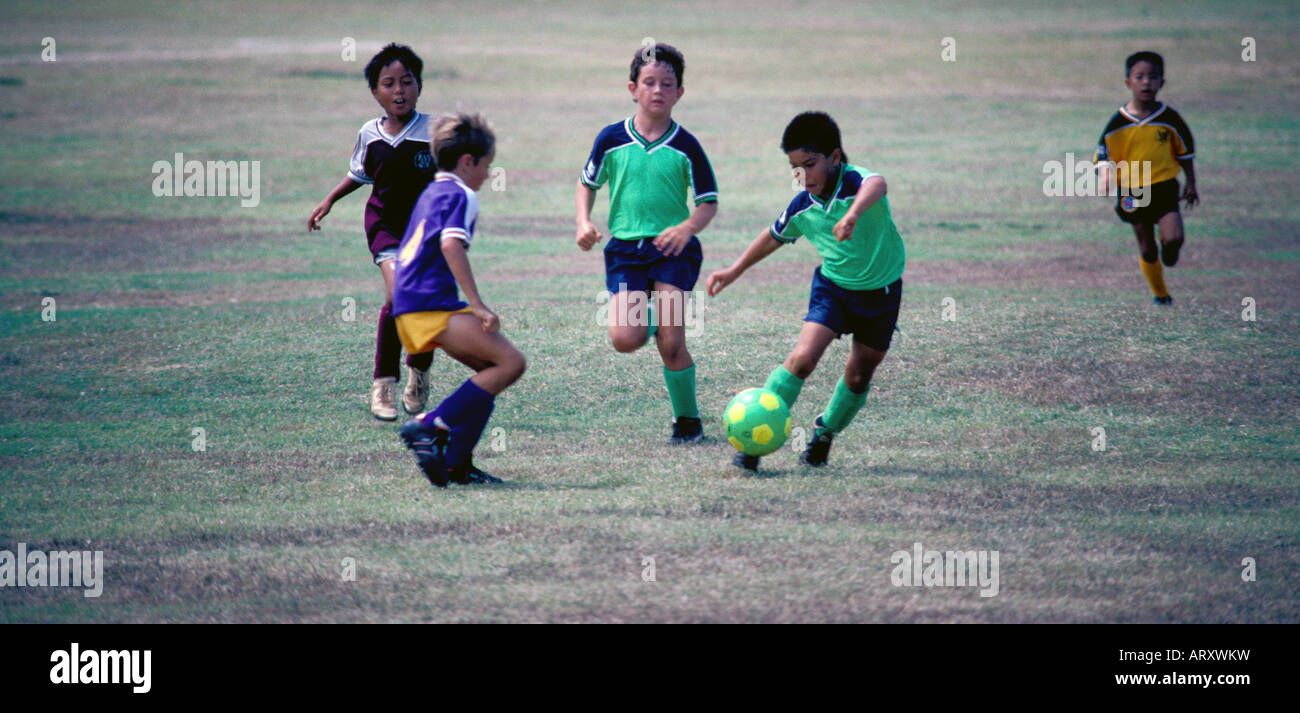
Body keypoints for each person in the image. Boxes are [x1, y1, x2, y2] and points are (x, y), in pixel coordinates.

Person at [706, 112, 904, 472]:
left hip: (881, 294)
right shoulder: (803, 205)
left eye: (809, 165)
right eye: (794, 167)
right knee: (802, 358)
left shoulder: (858, 182)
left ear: (835, 158)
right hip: (833, 290)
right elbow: (773, 236)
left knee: (859, 375)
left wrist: (853, 214)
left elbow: (879, 183)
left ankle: (824, 435)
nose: (802, 175)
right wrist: (735, 270)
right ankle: (753, 441)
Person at [575, 42, 718, 444]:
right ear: (632, 88)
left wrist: (687, 227)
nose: (658, 90)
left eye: (667, 84)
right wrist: (583, 221)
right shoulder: (611, 139)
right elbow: (586, 184)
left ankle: (687, 423)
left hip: (673, 251)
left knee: (673, 343)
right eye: (649, 82)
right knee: (625, 339)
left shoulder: (685, 146)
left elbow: (708, 204)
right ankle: (651, 317)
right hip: (626, 252)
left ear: (679, 93)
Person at [308, 43, 438, 419]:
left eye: (407, 82)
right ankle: (384, 383)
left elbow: (452, 176)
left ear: (419, 86)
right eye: (389, 83)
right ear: (375, 92)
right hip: (385, 227)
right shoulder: (370, 133)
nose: (399, 90)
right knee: (399, 296)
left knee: (423, 304)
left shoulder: (433, 131)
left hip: (426, 232)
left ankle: (419, 371)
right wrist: (329, 200)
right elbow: (359, 174)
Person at [396, 114, 526, 487]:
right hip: (429, 302)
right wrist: (478, 305)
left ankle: (456, 464)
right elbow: (450, 243)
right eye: (486, 165)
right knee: (511, 362)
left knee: (489, 372)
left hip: (409, 306)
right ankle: (427, 427)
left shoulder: (431, 191)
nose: (487, 175)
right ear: (468, 162)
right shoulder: (461, 193)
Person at [1095, 50, 1198, 306]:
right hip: (1132, 191)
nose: (1145, 83)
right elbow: (1103, 154)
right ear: (1128, 82)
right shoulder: (1118, 122)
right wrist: (1106, 175)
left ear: (1161, 83)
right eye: (1139, 77)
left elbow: (1186, 153)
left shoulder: (1169, 119)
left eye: (1152, 77)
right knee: (1146, 248)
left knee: (1173, 239)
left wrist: (1191, 184)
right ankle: (1161, 295)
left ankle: (1169, 249)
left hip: (1164, 187)